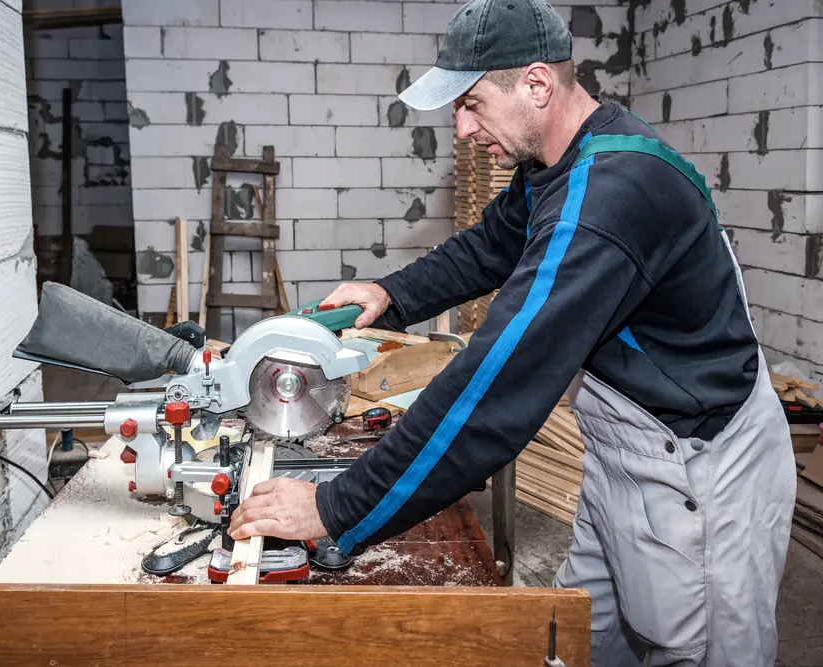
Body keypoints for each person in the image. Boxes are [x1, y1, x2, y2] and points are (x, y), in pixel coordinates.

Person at [227, 0, 796, 665]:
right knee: (576, 642)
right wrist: (391, 294)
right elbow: (491, 245)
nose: (462, 129)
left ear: (535, 84)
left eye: (471, 104)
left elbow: (492, 389)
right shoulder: (558, 164)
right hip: (626, 450)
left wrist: (336, 507)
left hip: (702, 470)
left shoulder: (609, 197)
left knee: (691, 650)